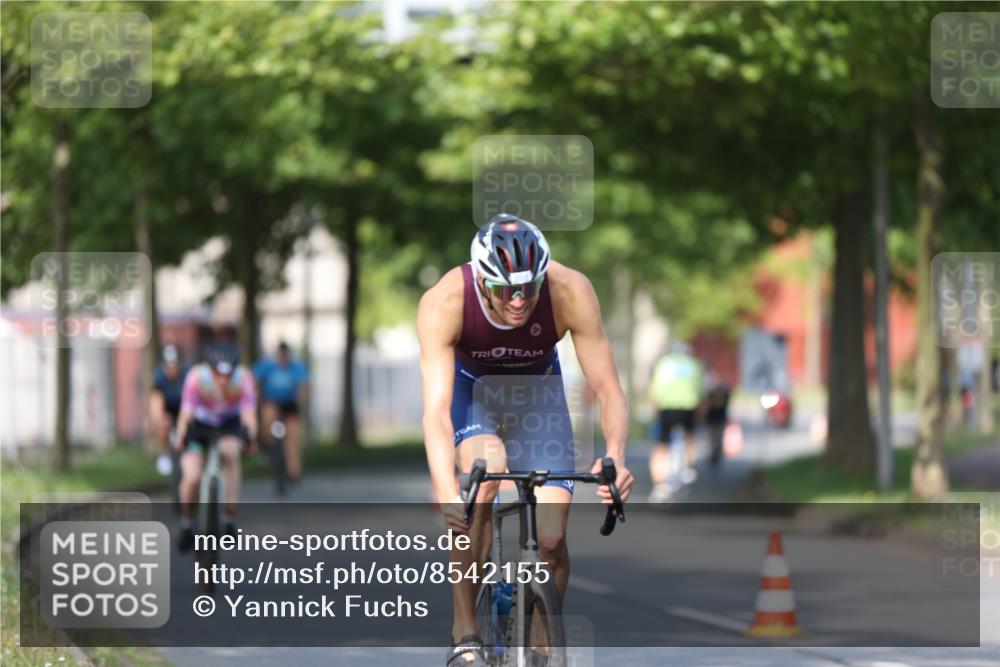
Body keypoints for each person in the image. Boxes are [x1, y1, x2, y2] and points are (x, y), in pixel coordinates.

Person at [417, 213, 634, 666]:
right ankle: (465, 630)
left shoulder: (570, 291)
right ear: (482, 281)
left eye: (529, 288)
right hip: (473, 393)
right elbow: (436, 412)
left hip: (538, 397)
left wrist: (615, 457)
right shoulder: (445, 301)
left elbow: (608, 389)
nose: (518, 301)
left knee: (551, 539)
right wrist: (446, 490)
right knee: (489, 472)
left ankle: (538, 650)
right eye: (504, 290)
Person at [175, 341, 258, 551]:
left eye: (228, 375)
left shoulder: (244, 379)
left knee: (230, 454)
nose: (223, 380)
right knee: (192, 476)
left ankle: (230, 517)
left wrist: (250, 438)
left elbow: (249, 416)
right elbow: (186, 414)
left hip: (228, 425)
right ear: (210, 369)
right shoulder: (196, 377)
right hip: (200, 425)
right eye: (218, 374)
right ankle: (187, 522)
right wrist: (182, 436)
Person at [647, 340, 704, 501]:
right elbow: (701, 390)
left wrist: (655, 409)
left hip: (667, 408)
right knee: (690, 438)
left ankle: (659, 483)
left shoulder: (663, 364)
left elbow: (655, 390)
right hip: (689, 407)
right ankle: (690, 469)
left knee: (661, 447)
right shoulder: (694, 364)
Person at [253, 341, 309, 481]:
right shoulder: (267, 366)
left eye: (286, 356)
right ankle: (269, 445)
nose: (284, 359)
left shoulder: (296, 367)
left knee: (293, 437)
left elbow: (304, 386)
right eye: (281, 356)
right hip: (271, 401)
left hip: (290, 404)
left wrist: (301, 395)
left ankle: (294, 471)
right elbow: (254, 380)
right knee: (268, 417)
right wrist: (258, 394)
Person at [150, 344, 188, 476]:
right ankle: (164, 454)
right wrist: (160, 418)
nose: (171, 368)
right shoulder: (160, 377)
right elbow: (156, 401)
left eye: (174, 364)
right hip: (169, 412)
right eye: (168, 365)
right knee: (162, 424)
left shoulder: (186, 375)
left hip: (185, 411)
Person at [703, 371, 732, 468]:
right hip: (716, 417)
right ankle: (715, 453)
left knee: (715, 436)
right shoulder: (723, 392)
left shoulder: (713, 392)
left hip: (716, 417)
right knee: (715, 436)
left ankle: (715, 453)